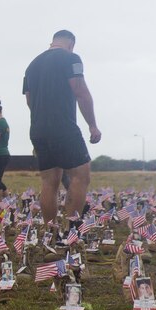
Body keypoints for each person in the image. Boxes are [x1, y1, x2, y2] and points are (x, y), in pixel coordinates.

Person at [23, 30, 101, 226]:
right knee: (81, 174)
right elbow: (80, 91)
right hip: (63, 125)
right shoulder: (71, 58)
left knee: (49, 181)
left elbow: (29, 100)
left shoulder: (32, 65)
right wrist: (92, 125)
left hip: (38, 128)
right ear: (71, 44)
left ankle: (51, 232)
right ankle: (71, 230)